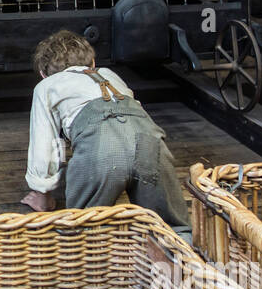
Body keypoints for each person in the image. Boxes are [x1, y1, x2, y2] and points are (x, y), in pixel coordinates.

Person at [22, 30, 191, 241]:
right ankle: (181, 262)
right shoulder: (109, 75)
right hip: (150, 142)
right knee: (170, 230)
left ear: (43, 73)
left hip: (101, 151)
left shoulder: (46, 87)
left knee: (83, 233)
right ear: (92, 63)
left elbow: (45, 143)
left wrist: (43, 193)